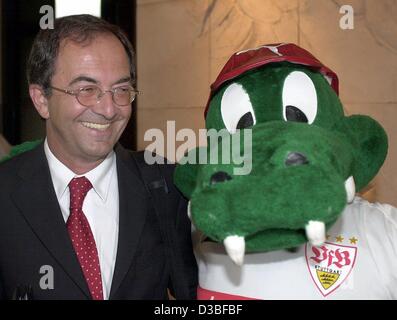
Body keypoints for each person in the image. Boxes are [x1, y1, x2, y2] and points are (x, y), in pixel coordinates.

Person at [0, 14, 197, 300]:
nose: (108, 109)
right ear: (41, 99)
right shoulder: (5, 194)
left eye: (121, 90)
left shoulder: (167, 185)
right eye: (87, 90)